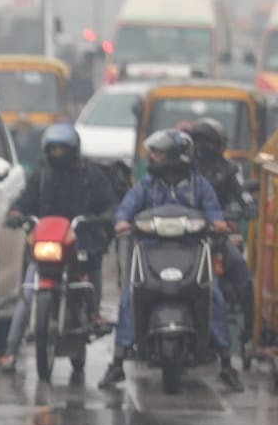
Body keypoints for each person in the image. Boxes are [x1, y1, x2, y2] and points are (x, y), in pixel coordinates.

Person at [99, 129, 244, 392]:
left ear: (177, 156)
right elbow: (128, 208)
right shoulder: (146, 185)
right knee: (130, 297)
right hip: (151, 251)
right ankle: (117, 362)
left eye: (159, 153)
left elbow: (213, 211)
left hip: (192, 250)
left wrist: (219, 223)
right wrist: (122, 221)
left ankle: (226, 364)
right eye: (153, 153)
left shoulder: (199, 185)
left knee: (214, 297)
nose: (153, 157)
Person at [0, 123, 117, 371]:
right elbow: (25, 201)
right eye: (54, 149)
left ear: (74, 150)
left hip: (79, 239)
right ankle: (10, 350)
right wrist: (17, 213)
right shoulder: (40, 174)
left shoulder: (90, 174)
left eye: (63, 149)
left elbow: (109, 203)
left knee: (89, 264)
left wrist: (103, 217)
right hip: (46, 242)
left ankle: (94, 311)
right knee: (29, 291)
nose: (58, 154)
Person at [190, 117, 257, 350]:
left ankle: (248, 332)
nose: (202, 147)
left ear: (218, 144)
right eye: (197, 142)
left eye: (207, 142)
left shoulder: (231, 170)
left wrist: (247, 207)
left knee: (240, 267)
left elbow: (243, 194)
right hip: (187, 233)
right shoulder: (185, 168)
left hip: (218, 232)